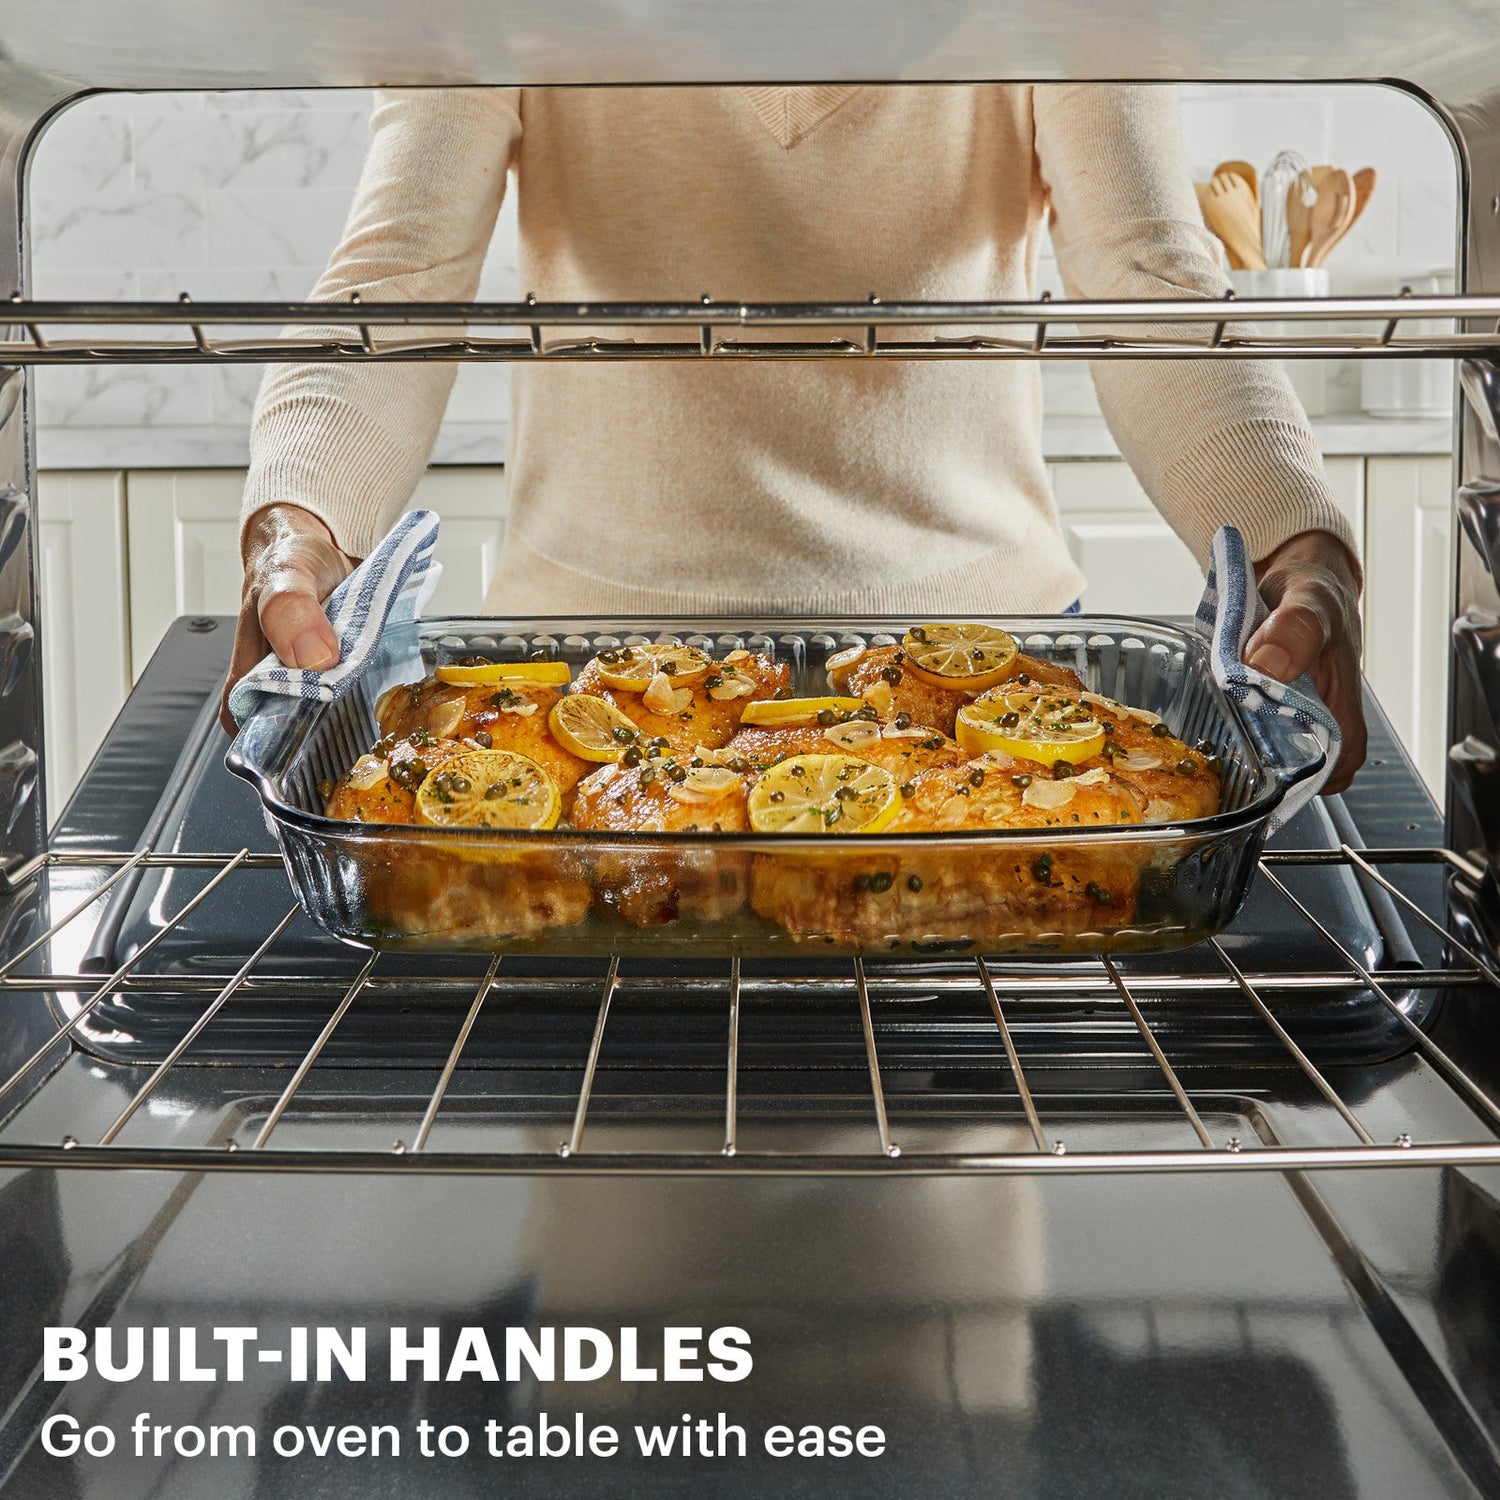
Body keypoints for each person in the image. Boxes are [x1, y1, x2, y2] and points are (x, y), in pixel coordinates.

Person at [225, 83, 1365, 790]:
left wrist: (1293, 541)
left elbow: (1147, 276)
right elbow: (399, 275)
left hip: (981, 695)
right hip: (586, 697)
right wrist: (301, 523)